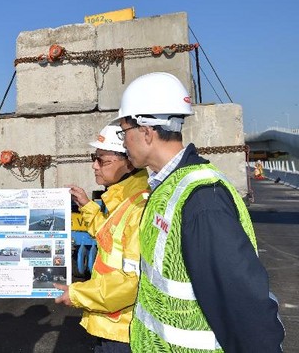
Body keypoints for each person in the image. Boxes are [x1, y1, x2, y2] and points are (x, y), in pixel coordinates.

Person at [113, 72, 285, 352]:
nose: (122, 142)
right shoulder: (166, 187)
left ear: (146, 131)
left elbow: (243, 300)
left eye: (124, 132)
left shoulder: (203, 200)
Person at [54, 125, 150, 353]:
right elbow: (110, 236)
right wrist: (87, 206)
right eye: (93, 158)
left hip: (124, 330)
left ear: (129, 162)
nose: (94, 166)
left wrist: (77, 293)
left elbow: (132, 282)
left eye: (102, 161)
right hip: (113, 323)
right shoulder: (124, 199)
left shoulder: (139, 207)